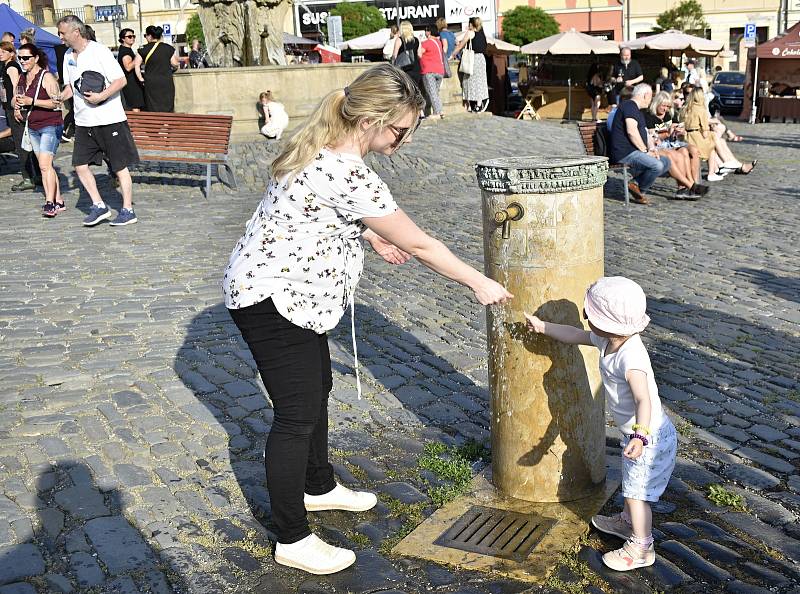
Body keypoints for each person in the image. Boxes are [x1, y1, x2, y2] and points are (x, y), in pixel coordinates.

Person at [222, 64, 512, 576]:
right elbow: (421, 242)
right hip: (271, 298)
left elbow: (313, 212)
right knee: (295, 414)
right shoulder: (349, 173)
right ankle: (291, 536)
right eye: (400, 130)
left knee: (317, 388)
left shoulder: (318, 148)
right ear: (373, 119)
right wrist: (478, 282)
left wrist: (367, 233)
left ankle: (318, 484)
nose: (404, 140)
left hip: (280, 290)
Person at [525, 277, 676, 573]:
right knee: (633, 488)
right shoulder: (608, 340)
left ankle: (642, 546)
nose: (584, 317)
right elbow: (574, 335)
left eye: (588, 314)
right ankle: (627, 523)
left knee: (636, 494)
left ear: (608, 323)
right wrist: (544, 327)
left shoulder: (631, 358)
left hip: (649, 437)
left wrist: (641, 436)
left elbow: (644, 400)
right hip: (636, 435)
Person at [56, 15, 140, 226]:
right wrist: (59, 96)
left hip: (109, 119)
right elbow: (70, 86)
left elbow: (120, 80)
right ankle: (99, 206)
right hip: (84, 121)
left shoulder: (99, 51)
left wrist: (101, 97)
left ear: (76, 32)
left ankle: (128, 210)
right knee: (80, 165)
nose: (60, 38)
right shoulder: (67, 56)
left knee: (119, 166)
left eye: (62, 33)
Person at [13, 43, 65, 216]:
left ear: (35, 58)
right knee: (46, 166)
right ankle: (59, 200)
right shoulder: (22, 77)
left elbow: (57, 103)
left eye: (26, 58)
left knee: (43, 165)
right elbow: (15, 99)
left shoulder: (46, 76)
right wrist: (16, 106)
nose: (22, 61)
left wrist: (31, 102)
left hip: (50, 124)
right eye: (20, 58)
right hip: (33, 125)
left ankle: (49, 203)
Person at [609, 83, 670, 204]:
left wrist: (652, 149)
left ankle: (635, 184)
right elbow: (632, 131)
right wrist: (645, 151)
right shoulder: (629, 106)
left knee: (666, 162)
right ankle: (640, 190)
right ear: (645, 95)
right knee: (656, 165)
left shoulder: (638, 111)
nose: (651, 101)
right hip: (625, 153)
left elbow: (646, 133)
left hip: (635, 152)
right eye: (650, 97)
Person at [680, 87, 755, 182]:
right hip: (694, 139)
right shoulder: (700, 109)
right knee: (713, 140)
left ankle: (724, 166)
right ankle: (723, 165)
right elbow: (705, 130)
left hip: (687, 137)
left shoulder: (686, 108)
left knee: (718, 140)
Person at [644, 90, 707, 199]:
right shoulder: (648, 116)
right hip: (662, 145)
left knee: (694, 150)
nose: (665, 109)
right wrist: (667, 133)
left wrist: (680, 131)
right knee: (683, 152)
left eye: (668, 106)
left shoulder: (670, 114)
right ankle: (687, 187)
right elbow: (653, 138)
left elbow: (677, 132)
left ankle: (694, 183)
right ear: (656, 104)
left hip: (674, 142)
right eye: (663, 106)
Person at [1, 40, 41, 191]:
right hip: (9, 108)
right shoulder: (5, 66)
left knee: (21, 144)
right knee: (24, 142)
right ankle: (34, 175)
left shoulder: (11, 67)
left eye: (4, 51)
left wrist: (17, 108)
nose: (0, 54)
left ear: (12, 53)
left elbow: (18, 87)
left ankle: (29, 177)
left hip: (15, 109)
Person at [134, 25, 179, 113]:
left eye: (145, 35)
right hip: (166, 80)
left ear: (150, 36)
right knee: (167, 102)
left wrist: (141, 79)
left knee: (153, 104)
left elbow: (136, 65)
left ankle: (157, 124)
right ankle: (166, 123)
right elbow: (175, 64)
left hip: (151, 81)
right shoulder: (168, 48)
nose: (145, 37)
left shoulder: (143, 49)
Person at [451, 17, 489, 113]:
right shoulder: (482, 33)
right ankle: (479, 103)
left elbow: (460, 45)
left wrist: (452, 54)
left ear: (471, 24)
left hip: (473, 58)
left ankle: (472, 104)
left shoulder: (470, 33)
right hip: (481, 58)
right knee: (480, 81)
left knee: (468, 80)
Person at [420, 25, 445, 119]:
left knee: (432, 92)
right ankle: (440, 110)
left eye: (425, 31)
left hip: (429, 70)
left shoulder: (426, 43)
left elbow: (419, 54)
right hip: (440, 70)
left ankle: (437, 113)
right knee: (436, 92)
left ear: (429, 32)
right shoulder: (439, 42)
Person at [117, 28, 145, 111]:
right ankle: (136, 124)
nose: (132, 38)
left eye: (133, 36)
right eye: (129, 36)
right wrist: (139, 57)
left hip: (133, 83)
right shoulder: (125, 51)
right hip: (131, 84)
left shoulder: (128, 50)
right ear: (123, 39)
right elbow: (128, 67)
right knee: (135, 107)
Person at [392, 21, 422, 96]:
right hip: (416, 69)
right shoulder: (416, 40)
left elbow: (394, 56)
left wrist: (393, 66)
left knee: (405, 93)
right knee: (415, 93)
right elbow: (419, 55)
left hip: (404, 70)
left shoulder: (399, 40)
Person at [55, 33, 75, 141]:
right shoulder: (66, 52)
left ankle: (67, 130)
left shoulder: (63, 51)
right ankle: (65, 129)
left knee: (73, 109)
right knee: (74, 109)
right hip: (68, 85)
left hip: (66, 84)